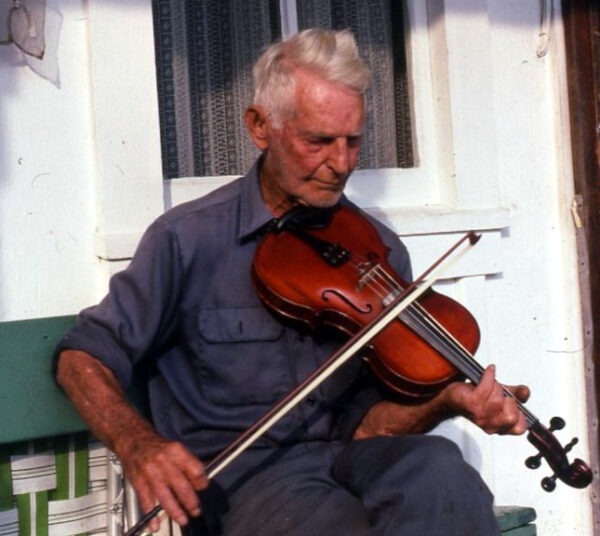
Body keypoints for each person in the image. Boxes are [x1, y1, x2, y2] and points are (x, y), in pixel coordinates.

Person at [54, 28, 529, 536]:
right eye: (319, 142)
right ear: (261, 127)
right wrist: (138, 446)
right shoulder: (187, 240)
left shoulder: (378, 251)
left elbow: (373, 424)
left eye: (353, 141)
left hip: (349, 460)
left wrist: (445, 401)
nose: (341, 164)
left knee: (441, 471)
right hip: (246, 485)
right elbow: (82, 357)